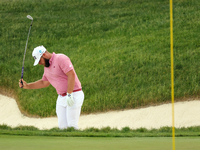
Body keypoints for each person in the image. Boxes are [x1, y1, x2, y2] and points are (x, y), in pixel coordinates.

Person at [19, 45, 84, 130]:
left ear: (44, 55)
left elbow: (71, 74)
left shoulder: (61, 58)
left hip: (73, 94)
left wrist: (69, 93)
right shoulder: (47, 67)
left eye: (40, 60)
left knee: (72, 125)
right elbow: (44, 83)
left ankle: (76, 143)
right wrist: (27, 85)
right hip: (61, 98)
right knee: (62, 128)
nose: (39, 63)